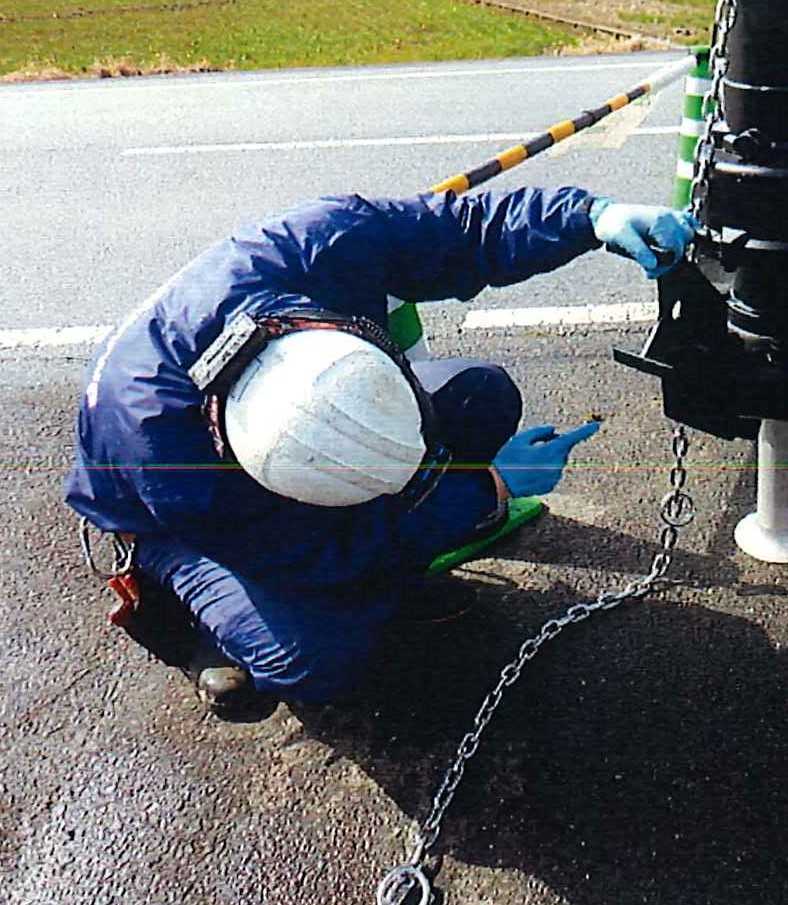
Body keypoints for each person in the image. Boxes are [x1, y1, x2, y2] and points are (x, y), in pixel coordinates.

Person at [65, 186, 697, 712]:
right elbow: (319, 555)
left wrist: (590, 219)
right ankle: (184, 603)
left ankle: (399, 555)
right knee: (313, 659)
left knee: (482, 396)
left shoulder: (313, 249)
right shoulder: (174, 464)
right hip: (169, 524)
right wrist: (490, 488)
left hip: (259, 461)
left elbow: (462, 231)